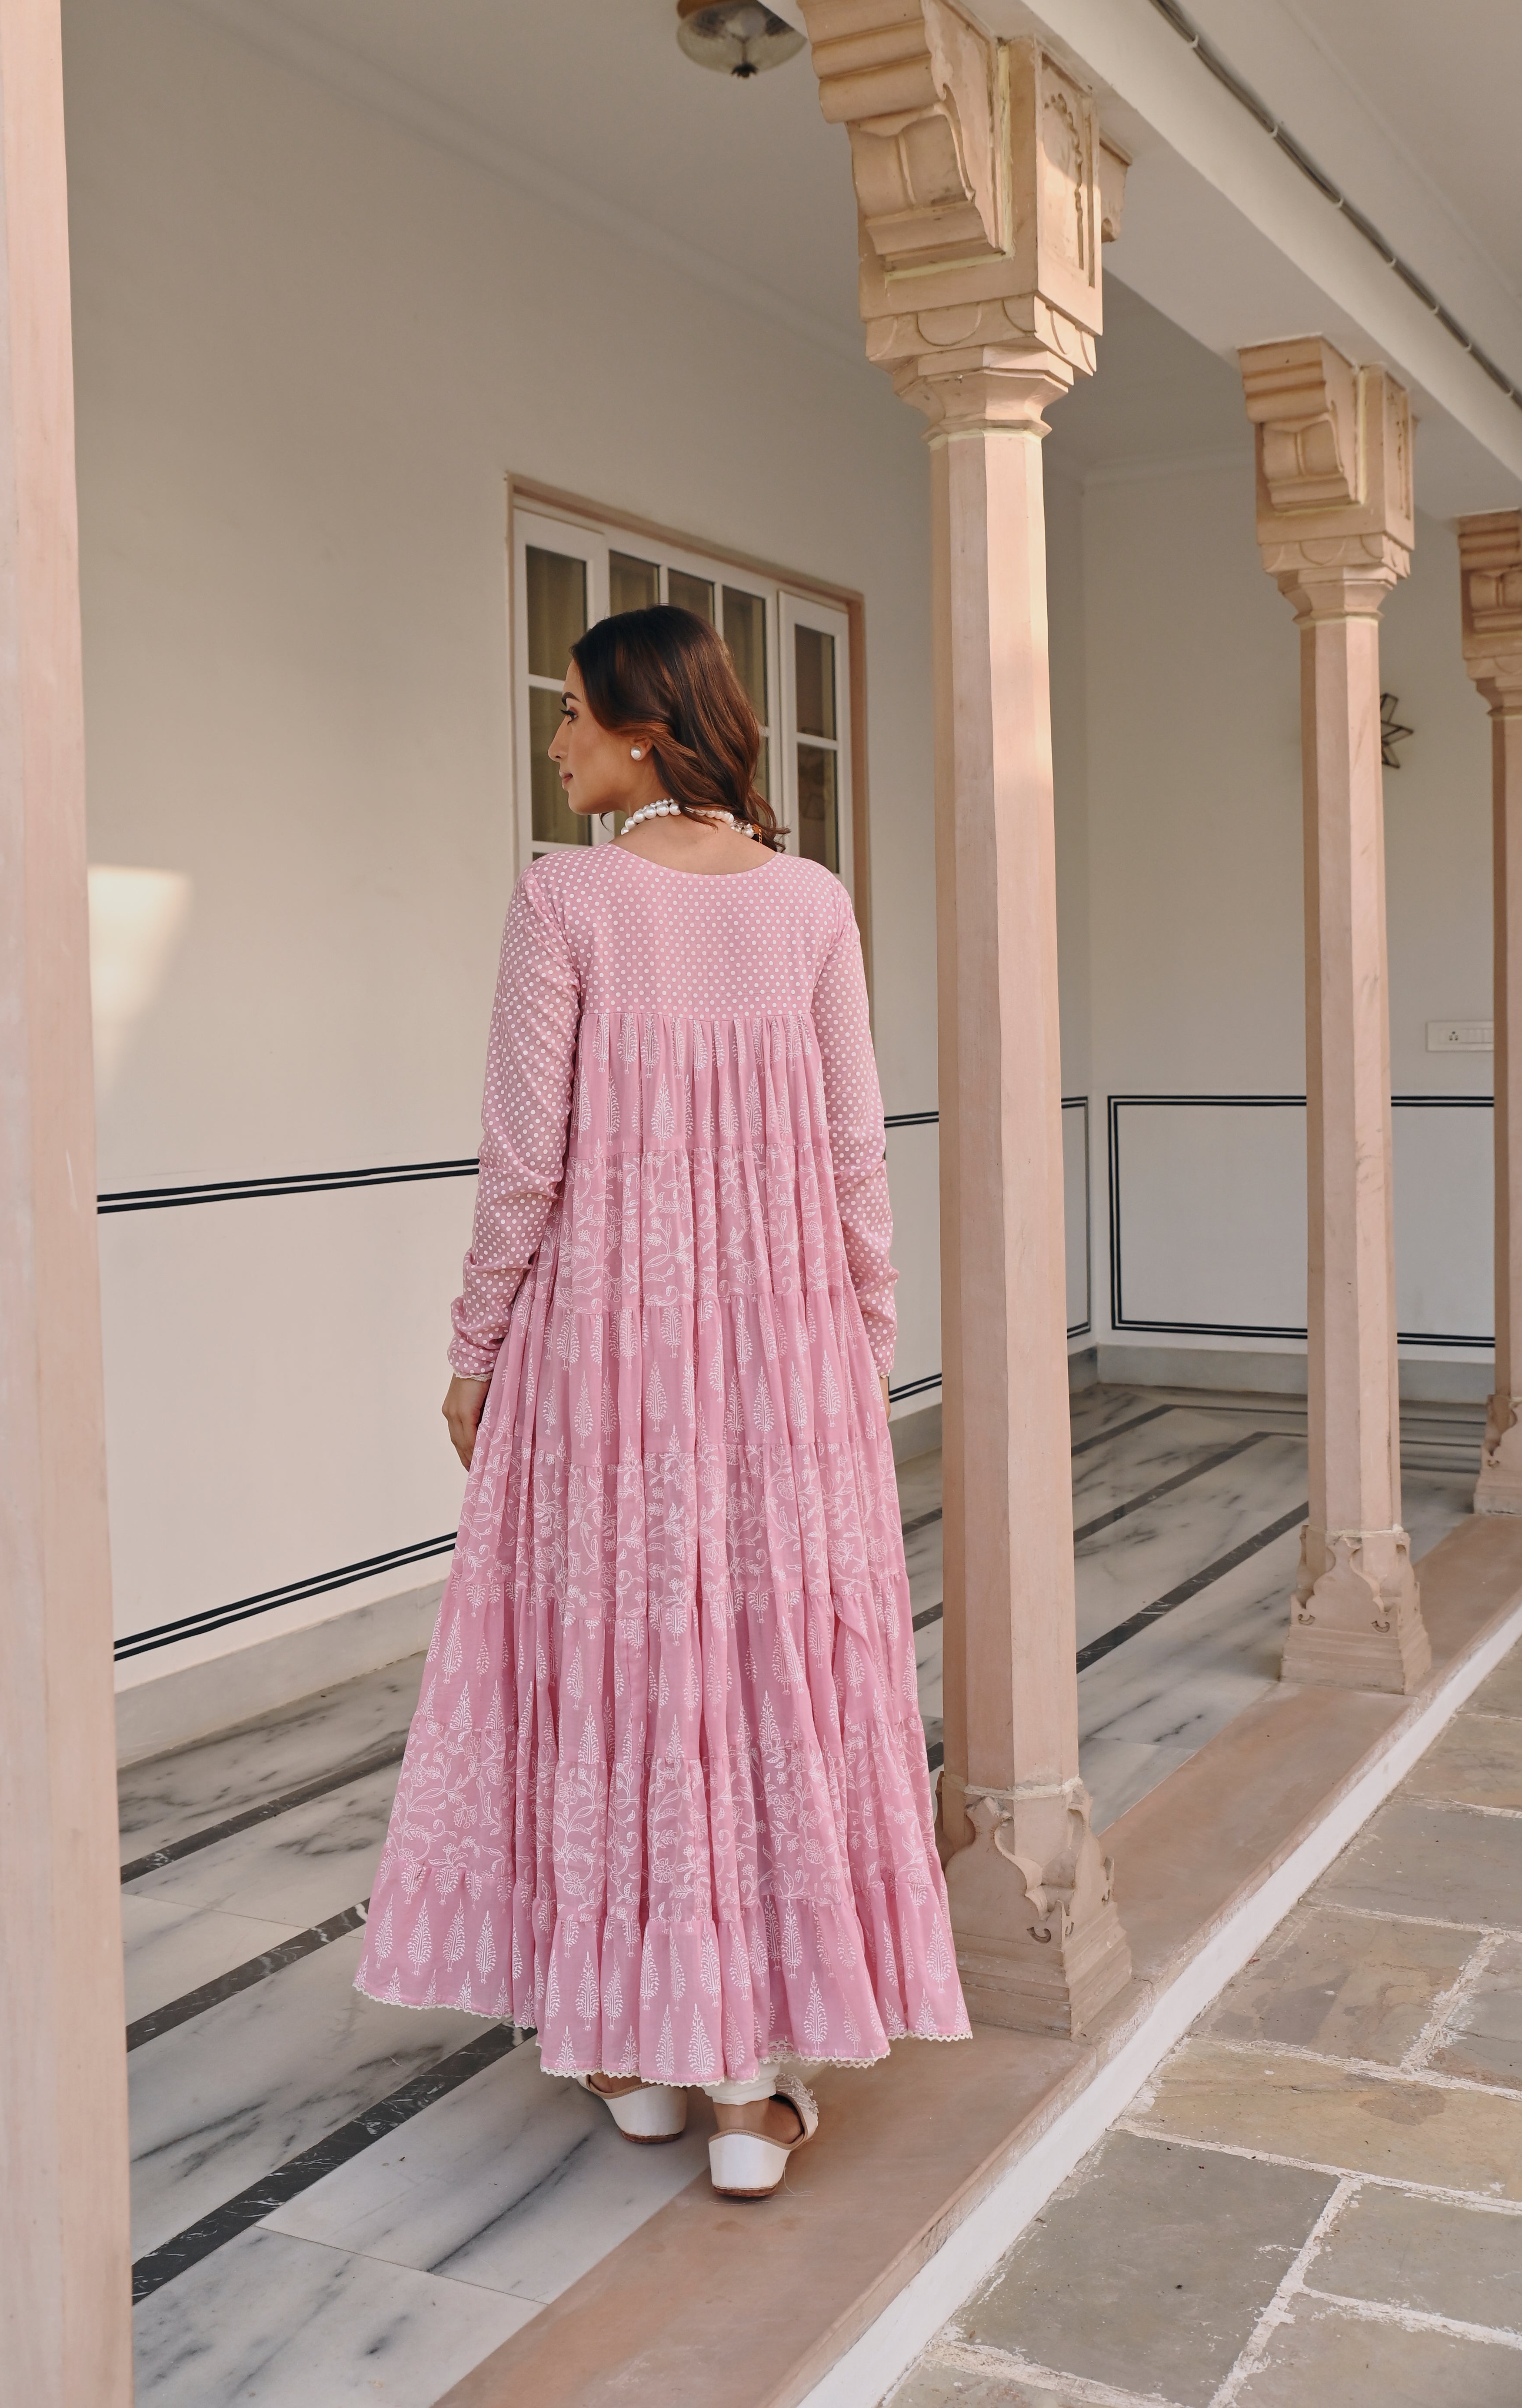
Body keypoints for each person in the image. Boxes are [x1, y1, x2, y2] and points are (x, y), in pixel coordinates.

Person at [355, 603, 969, 2200]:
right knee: (762, 1670)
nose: (554, 740)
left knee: (620, 1664)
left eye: (571, 712)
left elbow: (524, 1163)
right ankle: (750, 2093)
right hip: (784, 1359)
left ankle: (628, 2055)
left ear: (642, 729)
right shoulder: (812, 903)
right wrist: (860, 1340)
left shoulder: (564, 900)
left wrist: (477, 1350)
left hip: (604, 1359)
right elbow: (853, 1152)